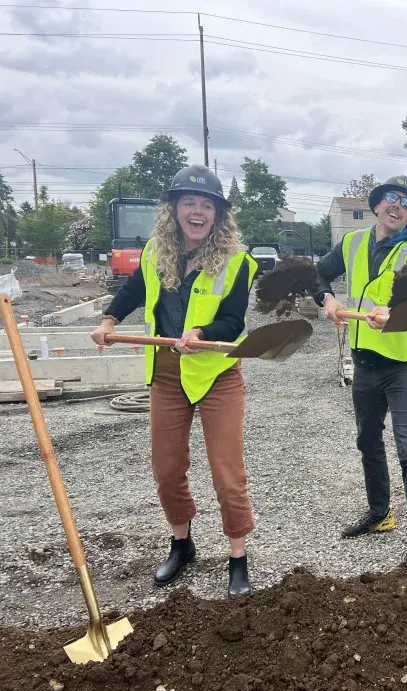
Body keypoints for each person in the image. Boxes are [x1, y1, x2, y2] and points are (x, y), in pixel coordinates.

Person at [90, 165, 258, 596]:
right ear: (175, 209)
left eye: (207, 205)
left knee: (226, 472)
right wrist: (109, 319)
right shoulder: (153, 251)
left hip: (215, 373)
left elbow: (233, 319)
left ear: (218, 214)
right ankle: (182, 545)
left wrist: (201, 334)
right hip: (166, 374)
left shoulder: (238, 261)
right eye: (189, 203)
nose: (198, 211)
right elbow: (132, 291)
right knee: (167, 470)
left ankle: (237, 557)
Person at [314, 175, 407, 569]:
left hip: (400, 367)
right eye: (390, 199)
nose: (396, 206)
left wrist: (396, 315)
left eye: (405, 202)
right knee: (367, 440)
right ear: (378, 205)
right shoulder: (351, 244)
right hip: (363, 362)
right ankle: (380, 513)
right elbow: (318, 274)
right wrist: (327, 297)